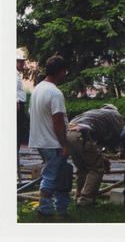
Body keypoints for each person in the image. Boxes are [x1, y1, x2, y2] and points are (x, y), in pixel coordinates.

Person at [28, 55, 72, 217]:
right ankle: (45, 208)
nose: (65, 74)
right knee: (51, 176)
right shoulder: (55, 93)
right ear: (60, 71)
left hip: (40, 140)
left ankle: (61, 208)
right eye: (64, 71)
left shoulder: (38, 89)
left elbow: (32, 113)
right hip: (52, 142)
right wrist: (65, 145)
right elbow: (58, 121)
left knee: (62, 173)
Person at [66, 104, 125, 206]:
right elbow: (120, 134)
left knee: (82, 168)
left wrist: (101, 157)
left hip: (69, 135)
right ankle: (86, 200)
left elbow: (95, 143)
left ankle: (79, 197)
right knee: (96, 169)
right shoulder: (114, 114)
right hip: (82, 135)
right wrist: (123, 151)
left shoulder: (93, 113)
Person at [17, 51, 29, 152]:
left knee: (20, 131)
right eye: (19, 62)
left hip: (20, 104)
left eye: (22, 62)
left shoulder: (17, 74)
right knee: (18, 132)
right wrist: (16, 103)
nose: (22, 64)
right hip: (18, 105)